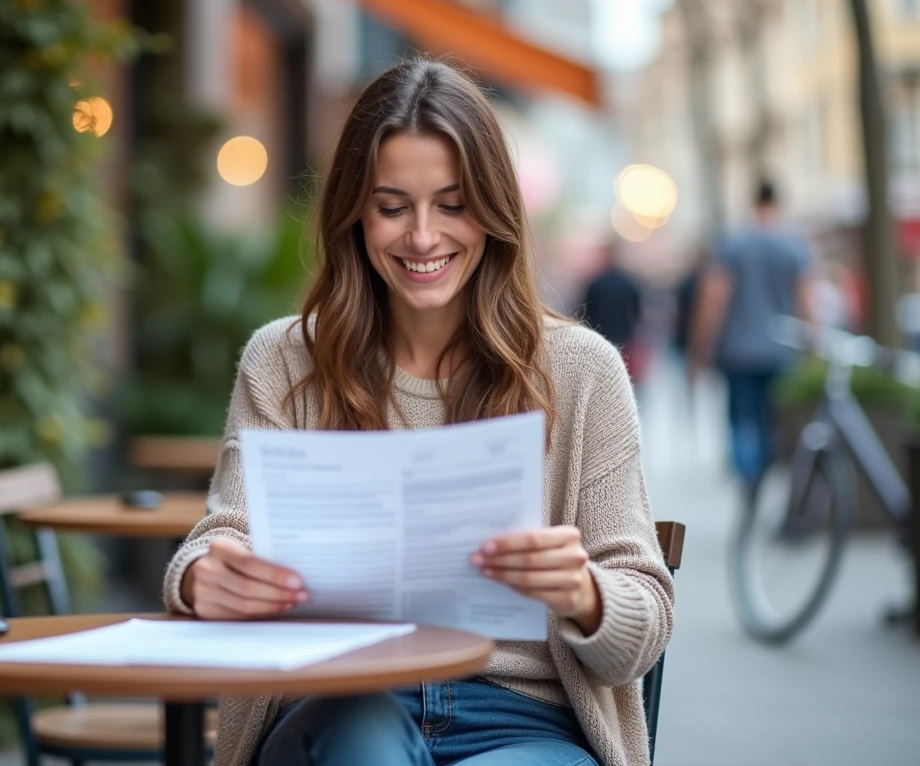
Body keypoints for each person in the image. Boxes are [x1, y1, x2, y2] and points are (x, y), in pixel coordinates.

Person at [163, 58, 673, 766]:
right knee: (362, 744)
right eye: (393, 206)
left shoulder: (583, 372)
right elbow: (219, 536)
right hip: (342, 701)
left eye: (453, 204)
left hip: (520, 719)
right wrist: (200, 580)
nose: (424, 237)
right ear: (355, 212)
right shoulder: (283, 362)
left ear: (495, 210)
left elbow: (643, 626)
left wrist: (586, 593)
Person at [690, 180, 811, 489]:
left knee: (742, 419)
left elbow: (714, 300)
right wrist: (812, 342)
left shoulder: (732, 244)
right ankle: (766, 471)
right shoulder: (794, 246)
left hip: (738, 350)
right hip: (782, 350)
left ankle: (748, 476)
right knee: (774, 420)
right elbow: (806, 300)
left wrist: (700, 347)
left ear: (753, 201)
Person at [578, 241, 644, 382]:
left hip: (599, 338)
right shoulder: (629, 283)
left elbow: (584, 313)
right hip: (624, 339)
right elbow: (637, 313)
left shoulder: (595, 283)